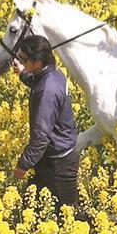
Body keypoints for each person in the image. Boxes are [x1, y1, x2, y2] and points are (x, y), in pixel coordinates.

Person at [12, 35, 80, 216]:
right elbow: (38, 82)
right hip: (49, 157)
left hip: (59, 162)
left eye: (24, 60)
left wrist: (23, 164)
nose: (21, 62)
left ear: (37, 61)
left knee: (68, 215)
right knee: (31, 209)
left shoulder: (47, 91)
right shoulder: (53, 74)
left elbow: (41, 136)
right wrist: (22, 73)